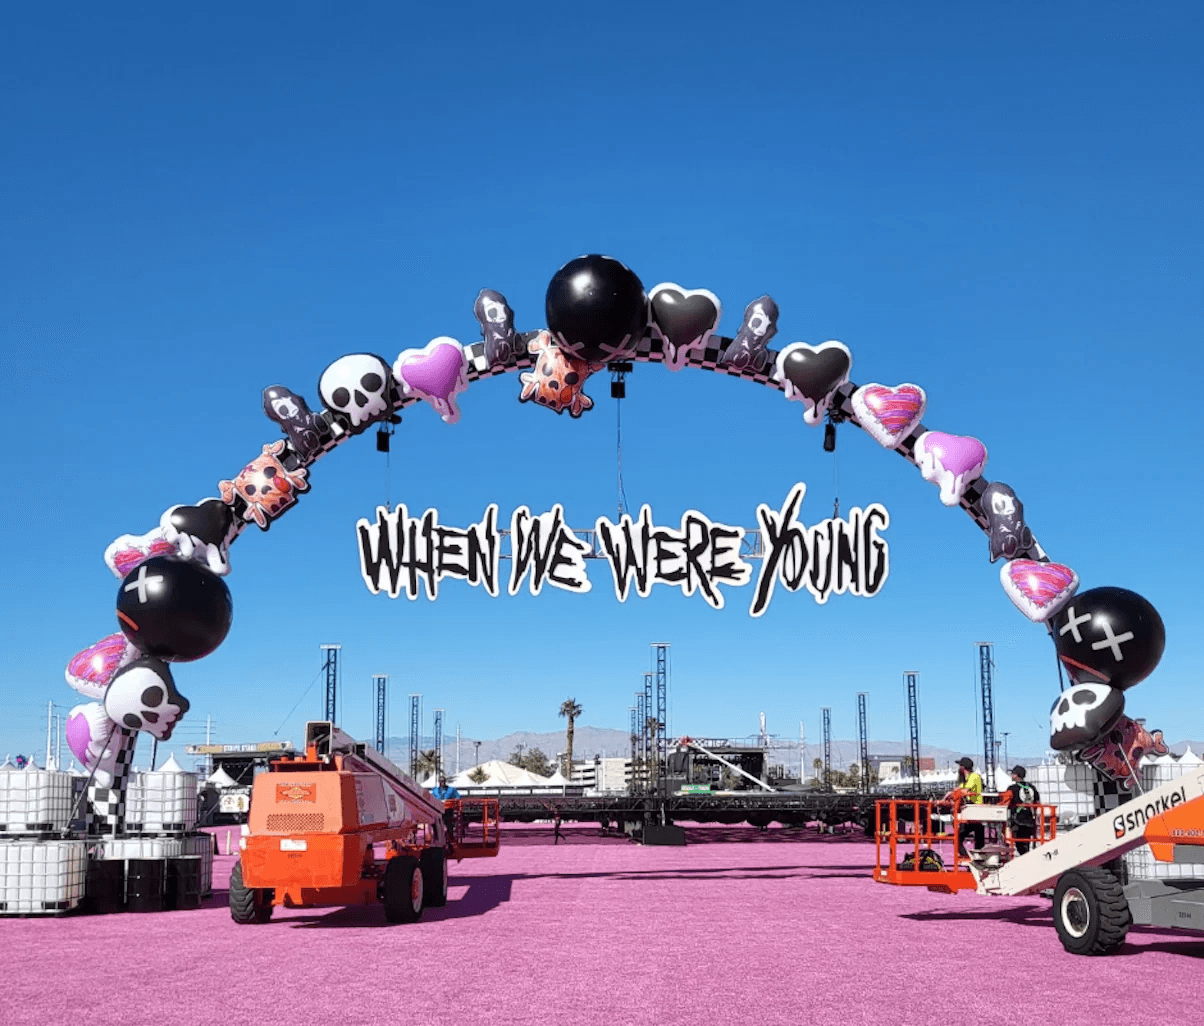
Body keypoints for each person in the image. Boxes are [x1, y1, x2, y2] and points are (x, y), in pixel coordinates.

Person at [944, 757, 984, 857]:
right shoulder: (966, 779)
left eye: (960, 766)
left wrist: (952, 794)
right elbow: (958, 789)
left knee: (960, 837)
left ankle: (970, 857)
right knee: (970, 834)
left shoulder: (974, 777)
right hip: (969, 809)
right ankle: (973, 856)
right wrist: (950, 794)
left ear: (963, 767)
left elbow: (965, 790)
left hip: (975, 808)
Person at [1003, 765, 1041, 854]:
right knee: (1026, 842)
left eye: (1013, 774)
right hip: (1029, 819)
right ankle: (1027, 856)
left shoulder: (1012, 789)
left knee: (1019, 843)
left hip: (1017, 821)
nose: (1011, 776)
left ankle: (1023, 857)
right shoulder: (1032, 787)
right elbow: (1037, 802)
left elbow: (1005, 802)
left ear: (1016, 775)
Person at [430, 775, 461, 844]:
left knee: (448, 821)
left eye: (443, 781)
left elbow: (458, 797)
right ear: (439, 782)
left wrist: (452, 801)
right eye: (441, 781)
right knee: (434, 821)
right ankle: (436, 837)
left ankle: (450, 837)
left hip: (448, 810)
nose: (442, 782)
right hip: (438, 810)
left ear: (445, 781)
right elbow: (431, 799)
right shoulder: (435, 790)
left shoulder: (451, 790)